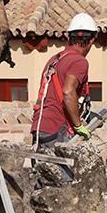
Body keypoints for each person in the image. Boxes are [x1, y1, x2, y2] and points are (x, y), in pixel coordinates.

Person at [31, 13, 98, 148]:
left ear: (69, 37)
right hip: (57, 130)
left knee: (41, 169)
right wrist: (78, 126)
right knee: (64, 169)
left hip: (40, 128)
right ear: (91, 40)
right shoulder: (79, 62)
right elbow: (68, 91)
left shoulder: (55, 59)